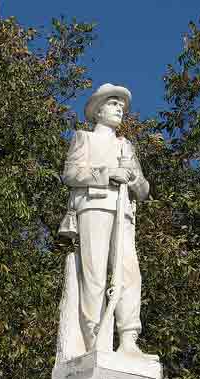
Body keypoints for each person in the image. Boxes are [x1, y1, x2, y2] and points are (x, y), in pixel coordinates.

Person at [58, 83, 149, 356]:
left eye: (122, 105)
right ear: (97, 111)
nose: (120, 109)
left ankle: (129, 339)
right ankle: (93, 340)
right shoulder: (83, 138)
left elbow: (144, 189)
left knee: (129, 274)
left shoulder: (126, 146)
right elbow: (71, 174)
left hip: (123, 211)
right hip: (93, 206)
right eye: (113, 103)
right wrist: (108, 173)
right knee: (94, 275)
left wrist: (132, 177)